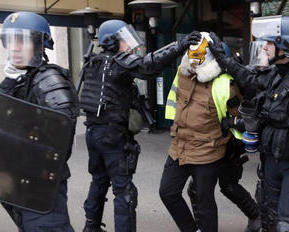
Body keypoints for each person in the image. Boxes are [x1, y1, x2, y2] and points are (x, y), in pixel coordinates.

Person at [209, 15, 289, 232]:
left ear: (285, 46)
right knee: (269, 221)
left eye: (269, 43)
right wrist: (223, 60)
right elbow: (251, 80)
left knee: (287, 226)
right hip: (271, 162)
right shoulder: (277, 73)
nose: (264, 48)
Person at [79, 19, 201, 232]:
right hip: (112, 135)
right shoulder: (116, 63)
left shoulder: (94, 62)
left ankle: (91, 226)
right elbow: (148, 65)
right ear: (113, 42)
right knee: (124, 191)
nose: (129, 45)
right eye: (124, 40)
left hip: (93, 132)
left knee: (98, 181)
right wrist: (179, 45)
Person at [0, 11, 79, 232]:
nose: (14, 47)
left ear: (39, 44)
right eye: (10, 40)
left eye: (22, 40)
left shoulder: (49, 80)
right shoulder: (16, 79)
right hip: (17, 181)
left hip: (40, 183)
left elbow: (60, 139)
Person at [160, 32, 245, 232]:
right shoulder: (182, 73)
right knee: (167, 192)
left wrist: (234, 128)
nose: (194, 58)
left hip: (209, 150)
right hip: (179, 146)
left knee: (203, 201)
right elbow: (175, 102)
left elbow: (242, 119)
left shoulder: (225, 82)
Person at [186, 42, 261, 232]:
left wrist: (230, 123)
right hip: (211, 142)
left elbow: (249, 119)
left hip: (229, 144)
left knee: (227, 185)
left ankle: (255, 216)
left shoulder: (229, 83)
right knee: (199, 188)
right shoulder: (205, 79)